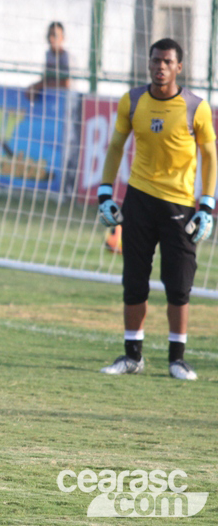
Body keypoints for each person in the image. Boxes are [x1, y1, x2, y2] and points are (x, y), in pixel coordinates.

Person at [97, 38, 217, 380]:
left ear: (179, 67)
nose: (160, 67)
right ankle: (132, 356)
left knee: (178, 286)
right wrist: (106, 194)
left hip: (179, 205)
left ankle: (177, 359)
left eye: (167, 61)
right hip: (139, 200)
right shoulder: (132, 101)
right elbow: (116, 145)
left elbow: (210, 157)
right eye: (155, 61)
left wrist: (206, 205)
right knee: (134, 281)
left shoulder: (197, 107)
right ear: (148, 64)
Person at [27, 22, 71, 101]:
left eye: (55, 35)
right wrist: (35, 86)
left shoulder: (67, 57)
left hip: (66, 101)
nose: (51, 39)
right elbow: (46, 79)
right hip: (52, 98)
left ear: (62, 38)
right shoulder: (49, 54)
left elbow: (65, 84)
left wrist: (40, 86)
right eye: (49, 35)